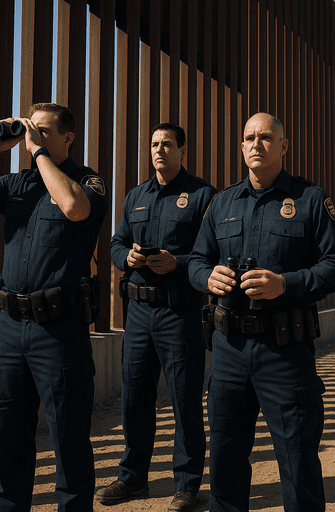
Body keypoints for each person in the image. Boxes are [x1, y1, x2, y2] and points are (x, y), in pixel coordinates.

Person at [0, 103, 108, 511]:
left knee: (68, 439)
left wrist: (37, 152)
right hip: (12, 330)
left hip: (59, 332)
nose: (33, 136)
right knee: (9, 436)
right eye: (31, 129)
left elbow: (74, 208)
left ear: (68, 137)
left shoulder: (88, 182)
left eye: (44, 131)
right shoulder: (17, 183)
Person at [188, 112, 335, 512]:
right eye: (249, 138)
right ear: (241, 148)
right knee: (225, 461)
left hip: (285, 352)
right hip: (228, 351)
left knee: (297, 462)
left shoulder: (310, 199)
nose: (256, 144)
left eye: (265, 137)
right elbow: (195, 260)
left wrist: (286, 284)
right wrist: (207, 277)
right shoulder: (222, 202)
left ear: (283, 146)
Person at [98, 123, 215, 511]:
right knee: (134, 397)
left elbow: (210, 256)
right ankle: (133, 479)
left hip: (179, 312)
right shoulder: (136, 196)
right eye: (154, 144)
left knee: (184, 400)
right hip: (138, 314)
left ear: (183, 150)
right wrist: (125, 258)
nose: (159, 150)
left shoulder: (202, 196)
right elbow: (115, 243)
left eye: (167, 144)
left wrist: (176, 263)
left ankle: (186, 485)